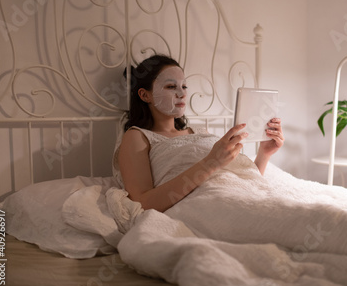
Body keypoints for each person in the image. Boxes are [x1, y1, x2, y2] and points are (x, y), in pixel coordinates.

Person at [115, 54, 284, 213]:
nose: (182, 93)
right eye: (171, 87)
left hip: (241, 197)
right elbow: (142, 204)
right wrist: (211, 162)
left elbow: (240, 180)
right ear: (145, 95)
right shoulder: (137, 137)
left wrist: (264, 153)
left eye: (184, 86)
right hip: (206, 208)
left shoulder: (200, 132)